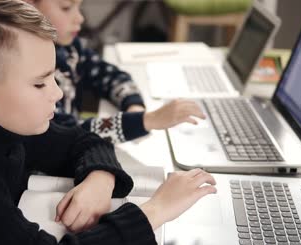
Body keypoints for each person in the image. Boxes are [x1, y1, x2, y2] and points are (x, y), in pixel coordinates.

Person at [0, 1, 217, 245]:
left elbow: (83, 140)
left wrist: (100, 179)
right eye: (40, 82)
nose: (57, 93)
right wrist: (154, 212)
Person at [24, 0, 206, 144]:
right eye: (66, 8)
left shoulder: (69, 48)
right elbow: (69, 136)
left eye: (79, 7)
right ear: (28, 4)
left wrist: (133, 104)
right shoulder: (33, 71)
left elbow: (108, 75)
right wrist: (145, 121)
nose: (79, 18)